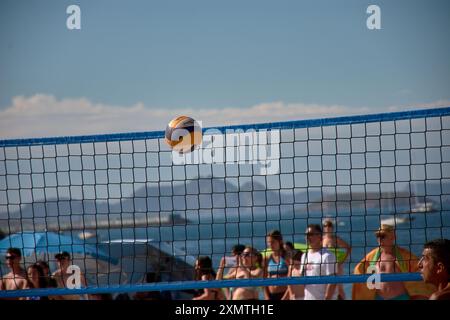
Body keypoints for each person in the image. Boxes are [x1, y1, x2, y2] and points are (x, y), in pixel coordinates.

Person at [352, 224, 434, 300]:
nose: (380, 239)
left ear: (393, 237)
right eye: (378, 236)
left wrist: (418, 295)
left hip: (400, 297)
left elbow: (423, 270)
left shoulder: (405, 256)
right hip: (379, 297)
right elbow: (359, 271)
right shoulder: (372, 257)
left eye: (383, 236)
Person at [300, 224, 337, 300]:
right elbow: (302, 279)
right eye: (306, 235)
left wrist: (327, 298)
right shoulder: (304, 256)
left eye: (310, 234)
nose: (307, 237)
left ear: (319, 236)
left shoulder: (328, 256)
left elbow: (332, 282)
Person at [322, 220, 351, 299]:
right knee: (327, 287)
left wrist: (342, 262)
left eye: (329, 226)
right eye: (326, 226)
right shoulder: (321, 239)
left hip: (336, 266)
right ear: (324, 228)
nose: (328, 228)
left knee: (339, 288)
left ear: (332, 228)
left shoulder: (335, 239)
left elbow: (348, 248)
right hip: (326, 267)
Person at [263, 230, 290, 300]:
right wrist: (266, 297)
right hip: (271, 295)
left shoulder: (286, 257)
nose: (270, 244)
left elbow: (291, 279)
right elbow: (264, 280)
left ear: (280, 241)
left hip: (285, 294)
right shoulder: (267, 259)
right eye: (268, 242)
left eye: (273, 242)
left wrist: (285, 297)